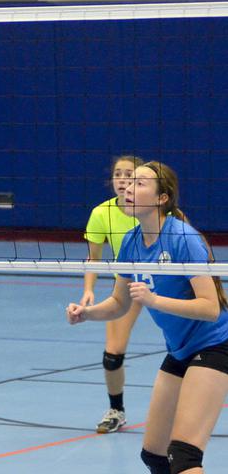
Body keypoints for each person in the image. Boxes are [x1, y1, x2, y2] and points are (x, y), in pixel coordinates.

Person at [67, 161, 228, 474]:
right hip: (180, 350)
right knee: (154, 455)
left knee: (184, 457)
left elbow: (210, 308)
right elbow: (118, 304)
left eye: (140, 183)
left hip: (215, 346)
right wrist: (86, 313)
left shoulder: (183, 238)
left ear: (161, 198)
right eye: (128, 182)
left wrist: (155, 300)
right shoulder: (130, 241)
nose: (128, 187)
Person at [80, 155, 143, 433]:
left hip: (165, 284)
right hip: (127, 285)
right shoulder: (101, 213)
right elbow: (93, 259)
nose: (122, 180)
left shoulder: (154, 211)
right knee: (112, 355)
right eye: (118, 174)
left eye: (129, 175)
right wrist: (88, 291)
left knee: (192, 348)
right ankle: (116, 410)